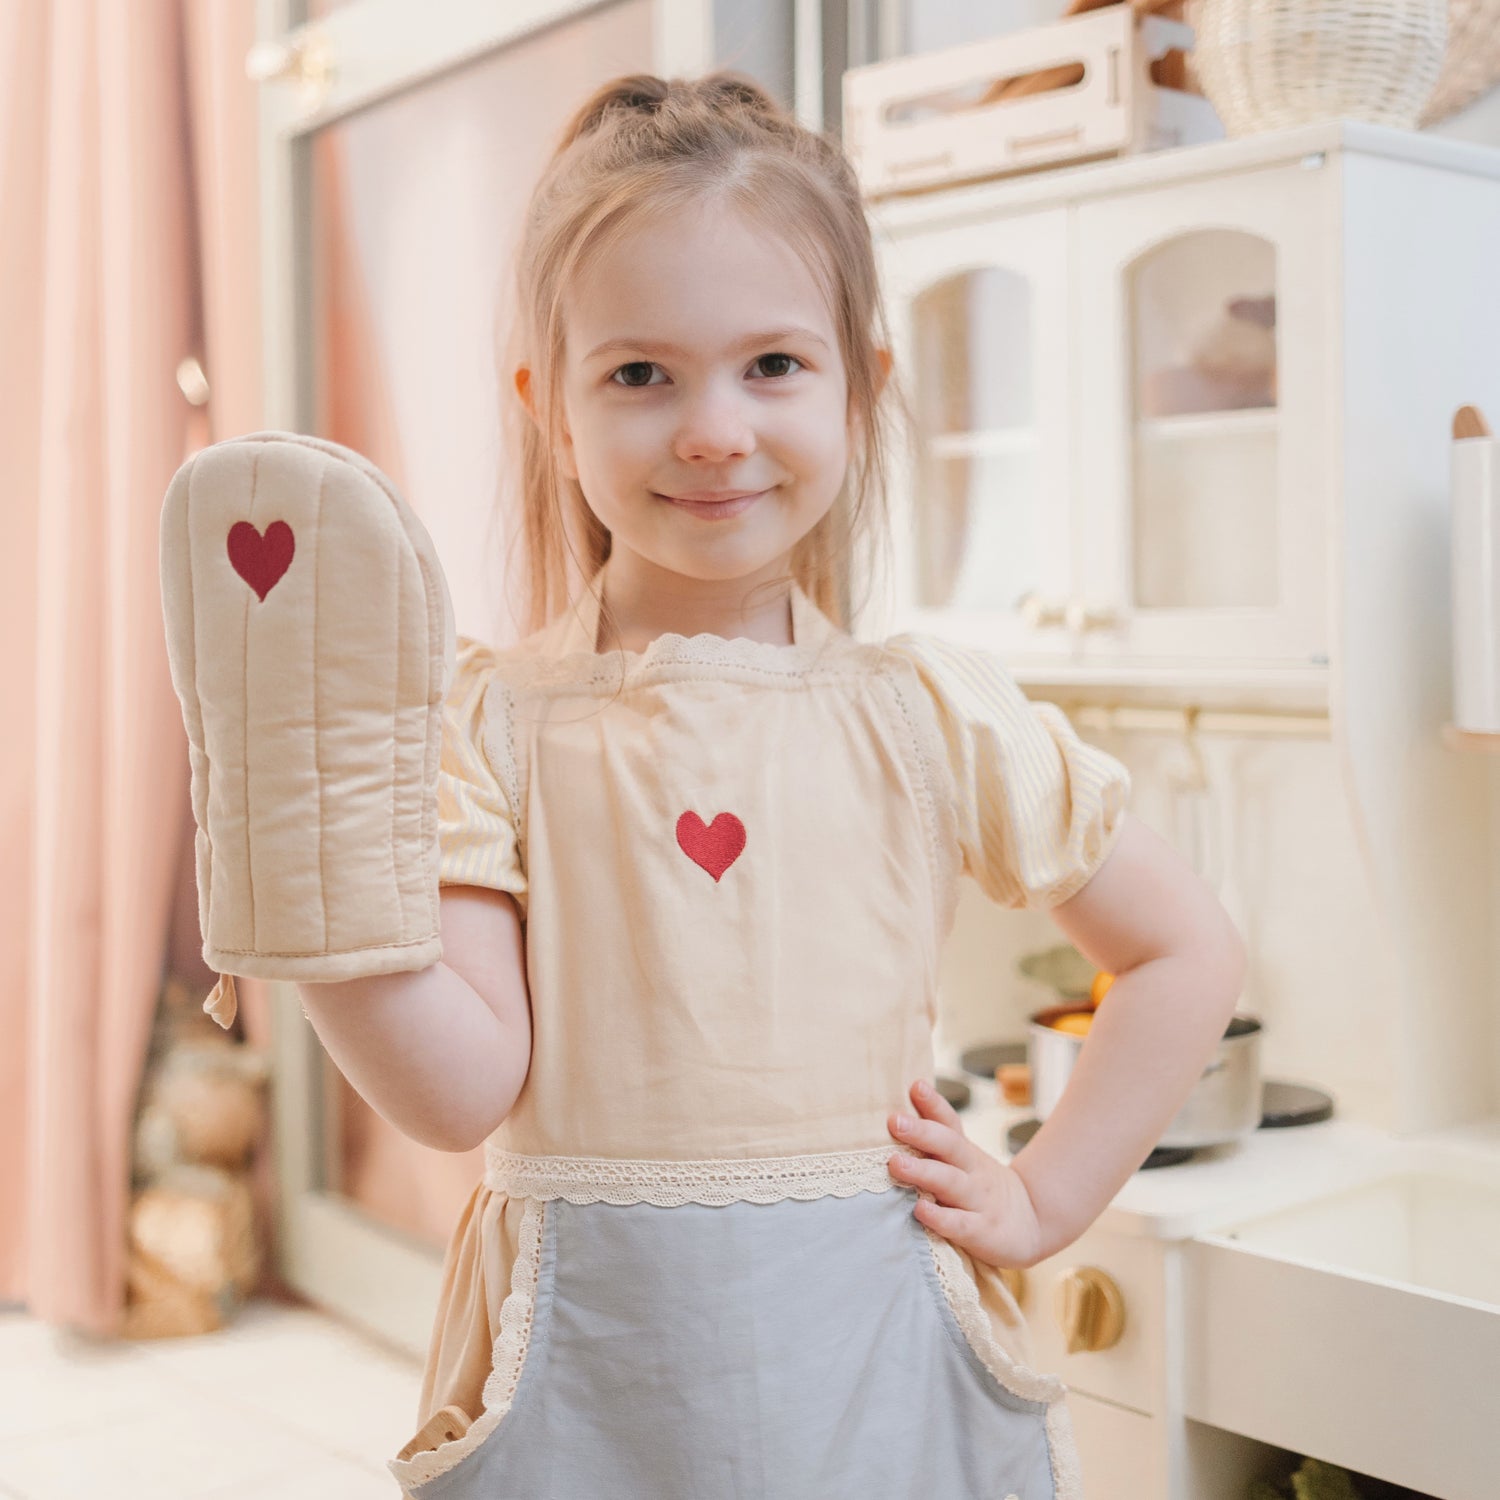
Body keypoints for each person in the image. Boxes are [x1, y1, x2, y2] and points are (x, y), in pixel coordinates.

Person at [297, 72, 1246, 1499]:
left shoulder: (930, 712)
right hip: (593, 1386)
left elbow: (1185, 950)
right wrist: (306, 905)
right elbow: (460, 1089)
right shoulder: (489, 724)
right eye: (639, 374)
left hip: (870, 1373)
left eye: (773, 367)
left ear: (860, 388)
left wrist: (1047, 1194)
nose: (713, 430)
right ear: (550, 410)